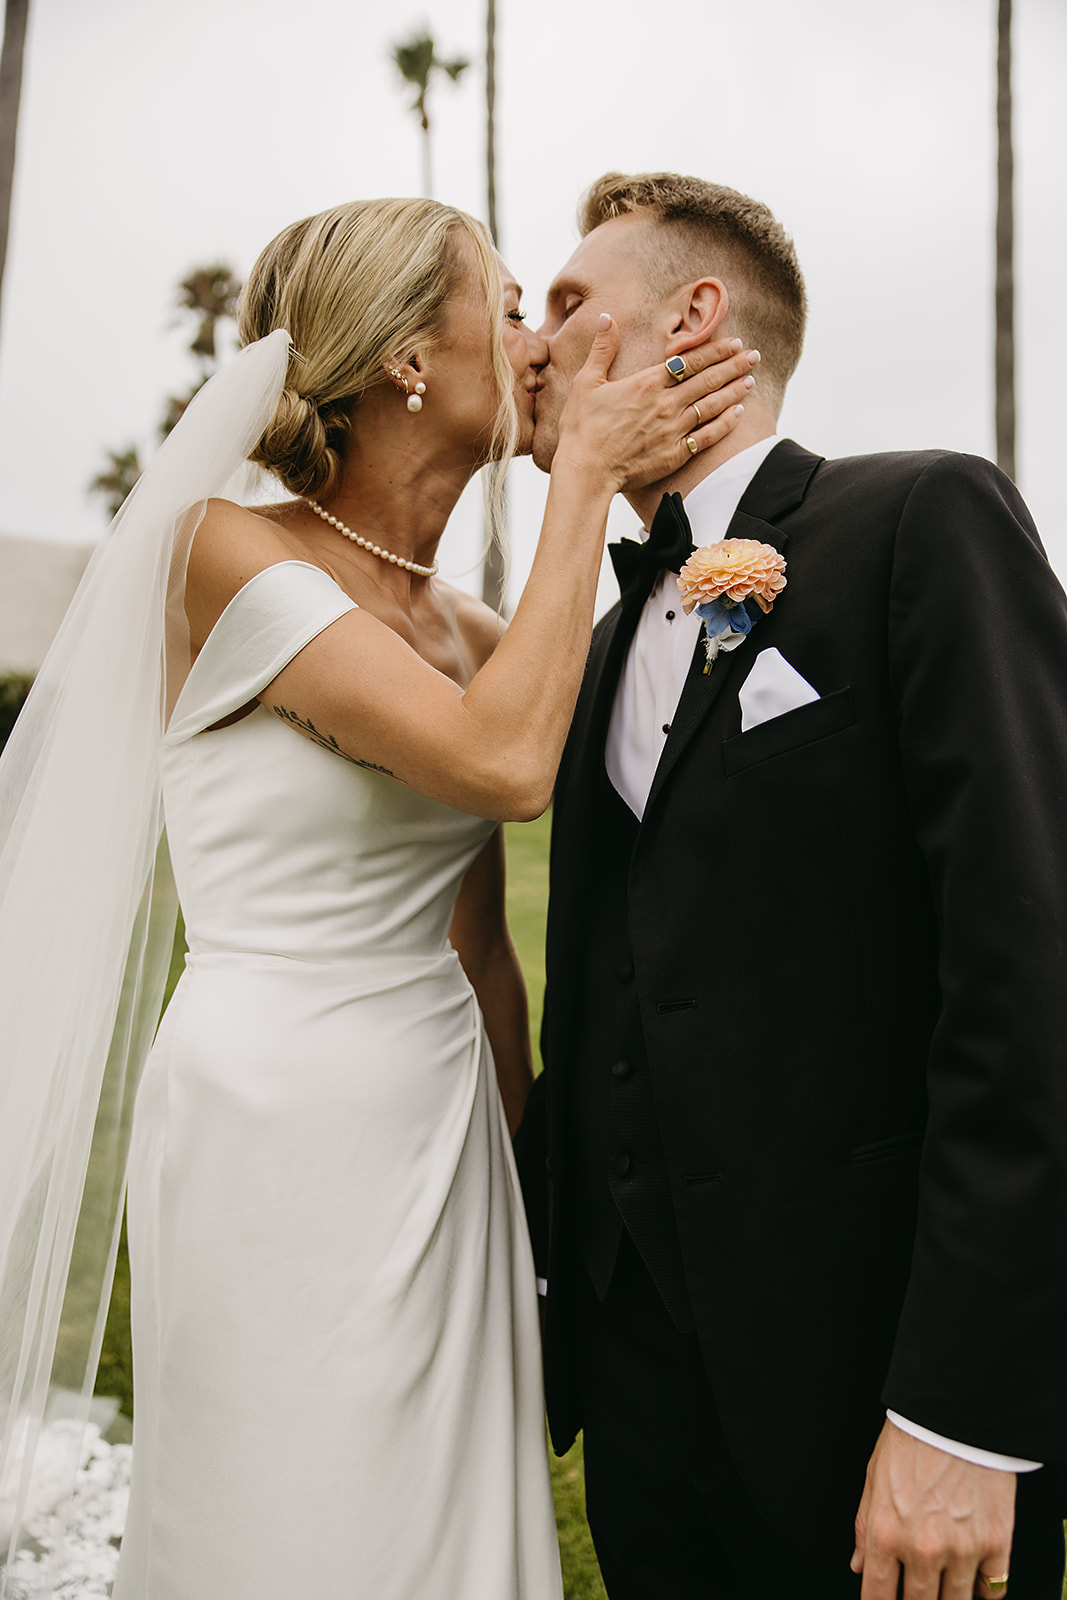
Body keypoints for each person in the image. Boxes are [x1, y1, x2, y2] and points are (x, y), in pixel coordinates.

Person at [0, 196, 756, 1600]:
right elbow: (506, 764)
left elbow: (482, 946)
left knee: (444, 1528)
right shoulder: (226, 554)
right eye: (513, 305)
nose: (541, 346)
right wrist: (584, 476)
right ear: (410, 354)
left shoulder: (471, 633)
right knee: (296, 1515)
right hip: (272, 1119)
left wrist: (530, 1195)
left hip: (445, 1124)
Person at [515, 170, 1067, 1600]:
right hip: (645, 1411)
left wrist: (965, 1412)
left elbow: (1031, 976)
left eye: (572, 304)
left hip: (874, 1392)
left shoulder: (921, 521)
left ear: (693, 317)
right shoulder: (590, 638)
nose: (536, 340)